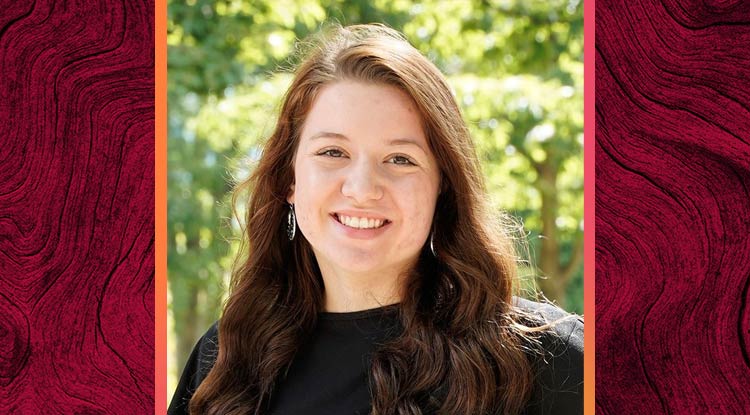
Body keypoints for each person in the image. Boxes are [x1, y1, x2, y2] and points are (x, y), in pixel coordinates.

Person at [169, 23, 583, 415]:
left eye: (400, 159)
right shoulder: (227, 359)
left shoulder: (547, 359)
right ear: (289, 179)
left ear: (443, 185)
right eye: (333, 152)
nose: (363, 188)